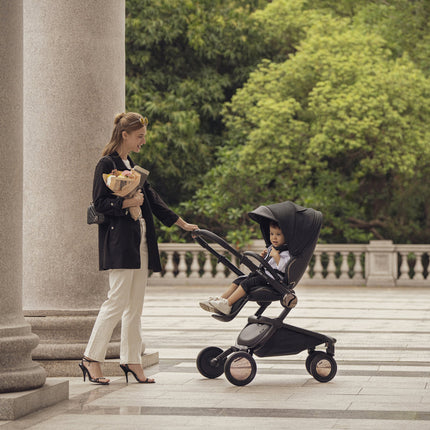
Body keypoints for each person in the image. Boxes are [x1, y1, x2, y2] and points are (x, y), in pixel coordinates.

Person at [80, 112, 198, 385]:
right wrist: (126, 203)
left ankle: (132, 359)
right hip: (120, 240)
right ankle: (91, 358)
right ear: (125, 134)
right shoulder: (106, 164)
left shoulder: (130, 164)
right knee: (116, 301)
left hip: (140, 238)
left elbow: (153, 199)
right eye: (140, 136)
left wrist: (181, 223)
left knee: (135, 305)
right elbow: (99, 204)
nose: (143, 141)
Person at [199, 221, 290, 315]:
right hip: (264, 276)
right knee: (239, 280)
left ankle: (228, 304)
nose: (274, 237)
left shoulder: (286, 252)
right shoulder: (272, 248)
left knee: (247, 283)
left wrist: (276, 256)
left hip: (272, 282)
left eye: (278, 234)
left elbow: (283, 267)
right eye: (271, 234)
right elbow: (270, 264)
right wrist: (265, 257)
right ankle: (221, 300)